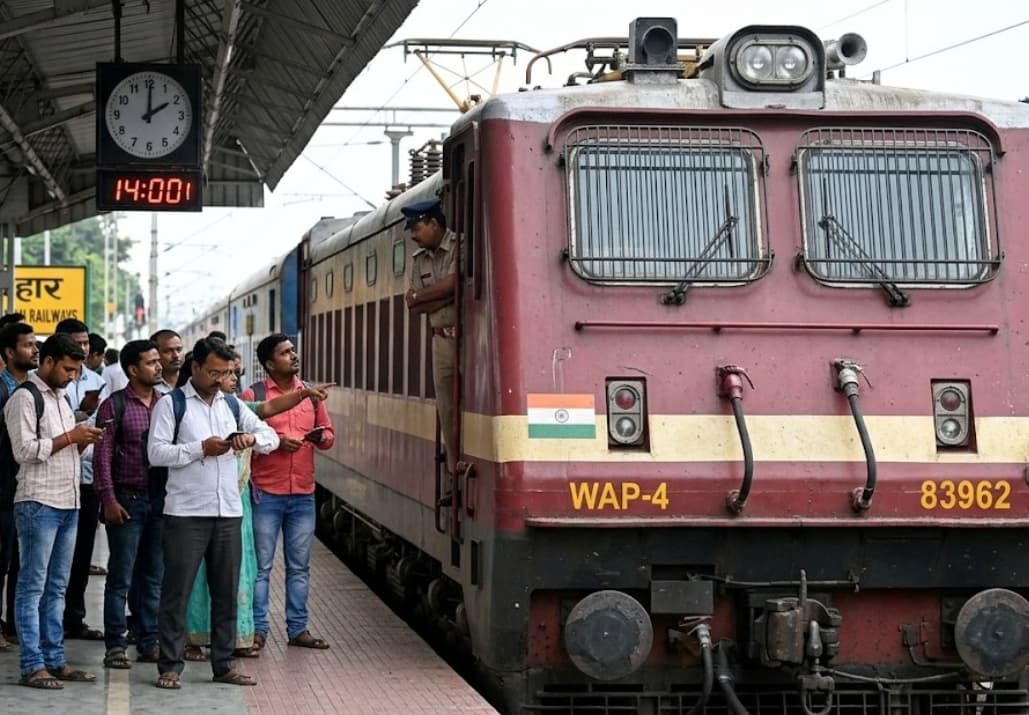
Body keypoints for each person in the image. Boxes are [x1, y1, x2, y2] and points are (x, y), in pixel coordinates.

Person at [148, 338, 278, 690]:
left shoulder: (232, 405)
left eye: (227, 373)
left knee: (226, 591)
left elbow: (270, 436)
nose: (220, 379)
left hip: (228, 513)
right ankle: (170, 666)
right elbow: (156, 453)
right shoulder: (171, 405)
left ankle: (224, 665)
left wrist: (251, 441)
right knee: (178, 591)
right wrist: (198, 449)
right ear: (195, 368)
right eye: (213, 372)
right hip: (186, 514)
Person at [185, 361, 331, 661]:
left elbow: (266, 414)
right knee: (200, 574)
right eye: (224, 375)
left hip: (238, 507)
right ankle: (195, 638)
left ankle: (240, 636)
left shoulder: (237, 407)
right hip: (198, 505)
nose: (232, 380)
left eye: (233, 374)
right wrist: (201, 448)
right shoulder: (185, 409)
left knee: (243, 572)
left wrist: (303, 397)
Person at [7, 333, 104, 689]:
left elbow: (62, 449)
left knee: (56, 587)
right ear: (47, 362)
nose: (72, 377)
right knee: (32, 586)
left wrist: (83, 442)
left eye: (76, 370)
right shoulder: (25, 398)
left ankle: (54, 659)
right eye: (67, 369)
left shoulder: (62, 399)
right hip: (38, 502)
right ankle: (32, 664)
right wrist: (72, 438)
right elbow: (25, 451)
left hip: (68, 502)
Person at [243, 334, 335, 652]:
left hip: (303, 493)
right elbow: (247, 438)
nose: (293, 356)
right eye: (285, 353)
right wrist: (278, 442)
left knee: (299, 566)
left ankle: (298, 630)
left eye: (293, 350)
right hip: (266, 492)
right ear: (270, 363)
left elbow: (329, 433)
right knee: (262, 566)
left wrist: (321, 438)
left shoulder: (310, 395)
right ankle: (258, 630)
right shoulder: (253, 394)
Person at [92, 340, 166, 669]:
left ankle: (149, 640)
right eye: (151, 362)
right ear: (133, 370)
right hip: (127, 500)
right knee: (120, 577)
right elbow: (102, 457)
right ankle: (116, 644)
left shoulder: (167, 404)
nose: (159, 366)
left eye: (157, 361)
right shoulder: (114, 405)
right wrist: (108, 498)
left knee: (153, 575)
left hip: (161, 501)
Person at [402, 197, 460, 502]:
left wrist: (428, 296)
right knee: (447, 409)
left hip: (468, 339)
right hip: (441, 340)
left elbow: (456, 284)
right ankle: (453, 478)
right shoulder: (418, 259)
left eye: (416, 227)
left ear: (434, 223)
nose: (412, 234)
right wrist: (445, 295)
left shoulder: (460, 246)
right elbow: (412, 305)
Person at [54, 319, 105, 642]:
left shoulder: (98, 380)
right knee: (50, 559)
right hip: (53, 478)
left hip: (85, 478)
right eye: (76, 343)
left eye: (86, 343)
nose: (83, 349)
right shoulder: (41, 384)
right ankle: (41, 623)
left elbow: (104, 426)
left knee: (82, 553)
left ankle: (74, 618)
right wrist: (81, 415)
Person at [0, 321, 38, 650]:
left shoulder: (34, 388)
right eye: (28, 345)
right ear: (10, 352)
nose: (35, 349)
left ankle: (13, 626)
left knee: (19, 559)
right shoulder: (2, 388)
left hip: (22, 485)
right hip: (3, 484)